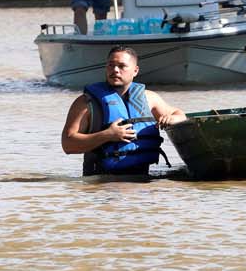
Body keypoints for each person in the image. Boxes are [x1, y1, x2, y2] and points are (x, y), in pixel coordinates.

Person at [61, 46, 187, 175]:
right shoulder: (86, 103)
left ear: (135, 71)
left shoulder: (149, 98)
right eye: (111, 65)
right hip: (101, 186)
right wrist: (107, 135)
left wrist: (172, 119)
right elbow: (68, 144)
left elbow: (180, 115)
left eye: (121, 66)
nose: (115, 70)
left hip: (142, 184)